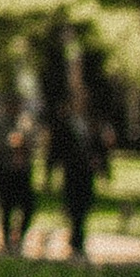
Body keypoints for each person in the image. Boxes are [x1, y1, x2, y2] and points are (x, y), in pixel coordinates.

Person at [51, 95, 109, 261]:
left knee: (84, 204)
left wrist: (102, 167)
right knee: (74, 205)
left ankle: (77, 237)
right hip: (71, 170)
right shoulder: (64, 124)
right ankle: (77, 239)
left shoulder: (94, 124)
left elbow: (100, 147)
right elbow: (57, 148)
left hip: (87, 172)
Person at [0, 102, 37, 254]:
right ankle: (7, 242)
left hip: (22, 174)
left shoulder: (25, 125)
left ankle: (18, 238)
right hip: (6, 173)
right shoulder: (0, 126)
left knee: (28, 207)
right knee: (6, 209)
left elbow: (33, 146)